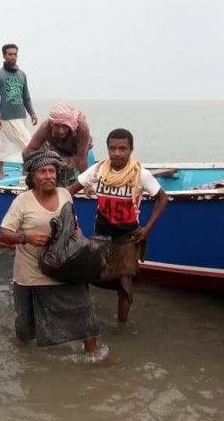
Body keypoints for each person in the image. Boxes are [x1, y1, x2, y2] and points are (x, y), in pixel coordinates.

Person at [0, 150, 109, 361]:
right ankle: (25, 362)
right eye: (42, 172)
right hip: (31, 273)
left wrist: (84, 247)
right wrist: (25, 237)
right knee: (25, 329)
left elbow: (73, 227)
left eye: (51, 171)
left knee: (84, 311)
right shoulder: (22, 201)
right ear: (32, 177)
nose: (48, 176)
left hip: (64, 268)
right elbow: (4, 234)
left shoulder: (65, 195)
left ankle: (95, 358)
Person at [68, 128, 168, 323]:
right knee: (88, 275)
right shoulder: (97, 171)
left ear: (131, 150)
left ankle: (121, 326)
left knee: (124, 284)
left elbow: (162, 198)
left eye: (123, 149)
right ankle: (86, 320)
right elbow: (68, 192)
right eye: (112, 148)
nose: (117, 153)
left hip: (127, 237)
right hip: (101, 235)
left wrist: (147, 228)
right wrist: (73, 223)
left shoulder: (141, 174)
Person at [0, 44, 38, 180]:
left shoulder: (22, 75)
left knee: (15, 144)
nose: (13, 57)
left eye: (15, 54)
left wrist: (32, 113)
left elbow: (26, 97)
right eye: (10, 54)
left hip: (21, 116)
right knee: (26, 143)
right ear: (4, 56)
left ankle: (24, 169)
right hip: (6, 117)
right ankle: (0, 171)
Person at [24, 103, 94, 185]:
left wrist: (85, 186)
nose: (61, 131)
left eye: (65, 126)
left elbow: (81, 159)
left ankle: (62, 181)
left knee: (62, 166)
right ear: (51, 124)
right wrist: (30, 173)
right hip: (55, 147)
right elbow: (31, 149)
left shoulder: (82, 128)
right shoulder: (45, 127)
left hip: (76, 153)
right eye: (57, 126)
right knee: (25, 153)